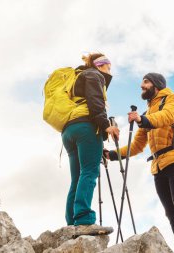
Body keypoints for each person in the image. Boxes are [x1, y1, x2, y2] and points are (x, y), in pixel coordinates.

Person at [105, 73, 174, 252]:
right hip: (158, 167)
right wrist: (111, 154)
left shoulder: (173, 99)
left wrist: (142, 120)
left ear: (156, 84)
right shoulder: (147, 113)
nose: (141, 85)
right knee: (172, 213)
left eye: (145, 81)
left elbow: (167, 117)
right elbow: (136, 146)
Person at [62, 53, 119, 236]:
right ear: (101, 65)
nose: (109, 70)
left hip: (69, 131)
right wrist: (106, 126)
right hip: (86, 127)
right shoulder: (95, 75)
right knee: (89, 172)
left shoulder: (78, 77)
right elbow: (96, 103)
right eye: (108, 66)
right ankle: (85, 220)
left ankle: (72, 223)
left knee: (77, 177)